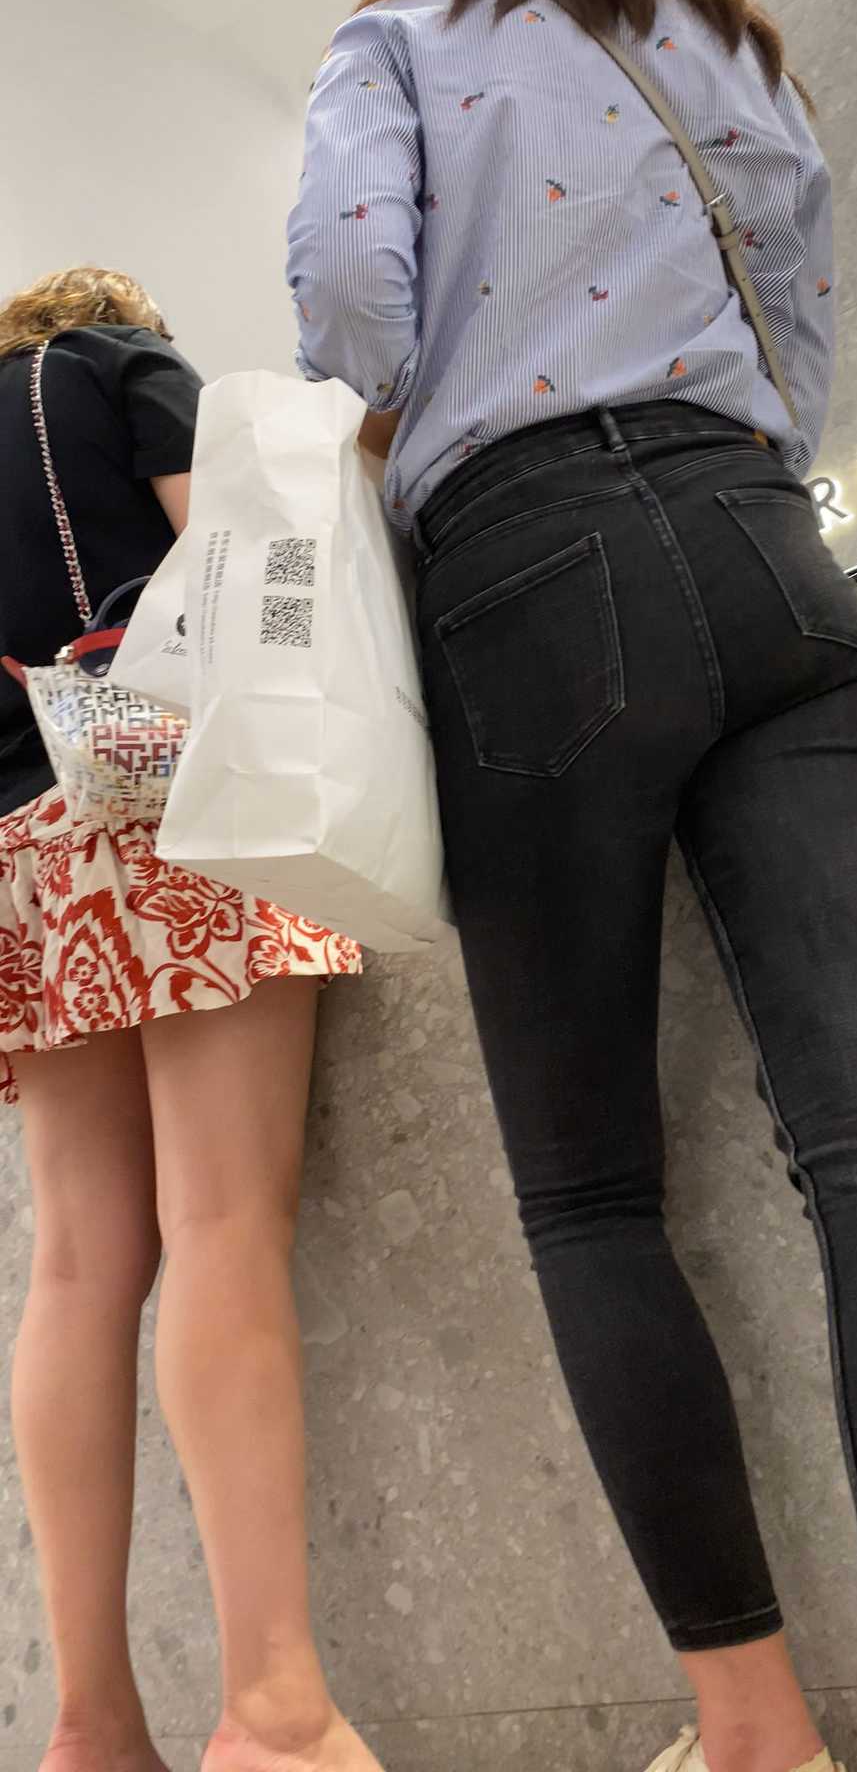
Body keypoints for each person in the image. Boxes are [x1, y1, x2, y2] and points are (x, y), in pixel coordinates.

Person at [287, 0, 857, 1770]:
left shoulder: (394, 38)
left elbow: (354, 303)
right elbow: (798, 295)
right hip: (769, 541)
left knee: (593, 1195)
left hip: (529, 572)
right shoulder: (713, 31)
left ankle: (756, 1739)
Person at [0, 268, 379, 1772]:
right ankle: (276, 1712)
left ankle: (91, 1725)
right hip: (164, 792)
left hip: (16, 850)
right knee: (221, 1221)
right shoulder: (106, 362)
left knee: (76, 1264)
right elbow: (242, 551)